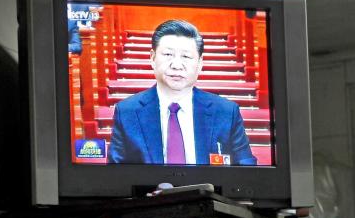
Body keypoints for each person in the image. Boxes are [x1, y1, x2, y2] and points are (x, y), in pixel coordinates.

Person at [108, 19, 256, 166]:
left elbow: (247, 169)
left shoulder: (226, 112)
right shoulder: (127, 112)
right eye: (167, 55)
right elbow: (116, 176)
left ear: (200, 63)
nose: (177, 65)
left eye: (186, 56)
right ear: (152, 58)